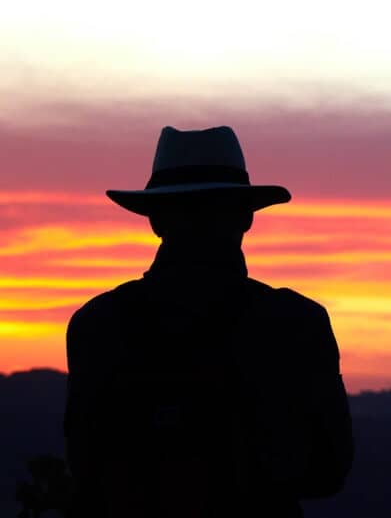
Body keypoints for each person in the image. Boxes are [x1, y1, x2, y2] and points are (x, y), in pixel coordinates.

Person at [64, 126, 353, 518]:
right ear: (247, 216)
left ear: (155, 221)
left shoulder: (97, 326)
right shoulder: (297, 324)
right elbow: (328, 471)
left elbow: (84, 473)